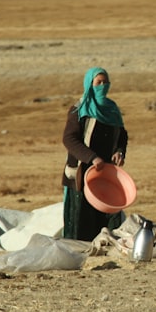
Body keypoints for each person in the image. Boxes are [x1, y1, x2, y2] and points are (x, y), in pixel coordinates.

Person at [61, 67, 128, 241]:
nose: (103, 86)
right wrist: (91, 157)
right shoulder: (79, 110)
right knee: (82, 220)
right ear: (90, 84)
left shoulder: (112, 109)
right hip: (82, 173)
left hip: (106, 175)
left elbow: (122, 135)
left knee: (108, 217)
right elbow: (69, 139)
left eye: (106, 82)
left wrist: (120, 151)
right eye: (99, 82)